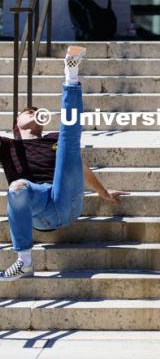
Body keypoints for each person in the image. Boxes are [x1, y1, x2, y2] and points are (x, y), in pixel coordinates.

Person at [0, 46, 129, 281]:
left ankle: (71, 75)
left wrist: (103, 191)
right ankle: (24, 261)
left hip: (67, 200)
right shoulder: (7, 145)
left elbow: (76, 167)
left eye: (36, 111)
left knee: (67, 138)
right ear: (15, 125)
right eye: (27, 111)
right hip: (41, 210)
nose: (33, 111)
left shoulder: (53, 139)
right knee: (17, 187)